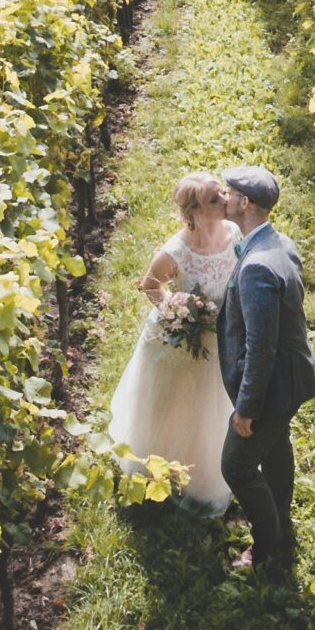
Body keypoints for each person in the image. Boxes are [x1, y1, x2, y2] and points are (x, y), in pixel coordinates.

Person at [106, 172, 240, 517]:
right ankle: (161, 468)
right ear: (193, 212)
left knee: (210, 407)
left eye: (223, 193)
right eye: (215, 199)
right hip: (184, 341)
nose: (226, 200)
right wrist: (180, 310)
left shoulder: (235, 233)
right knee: (175, 404)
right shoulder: (176, 251)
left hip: (220, 338)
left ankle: (204, 471)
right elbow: (151, 287)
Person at [214, 164, 315, 576]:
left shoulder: (258, 266)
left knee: (236, 467)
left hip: (272, 384)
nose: (223, 197)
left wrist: (246, 408)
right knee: (276, 448)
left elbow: (261, 347)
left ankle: (267, 548)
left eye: (228, 193)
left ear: (245, 203)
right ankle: (281, 521)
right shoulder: (279, 242)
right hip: (293, 376)